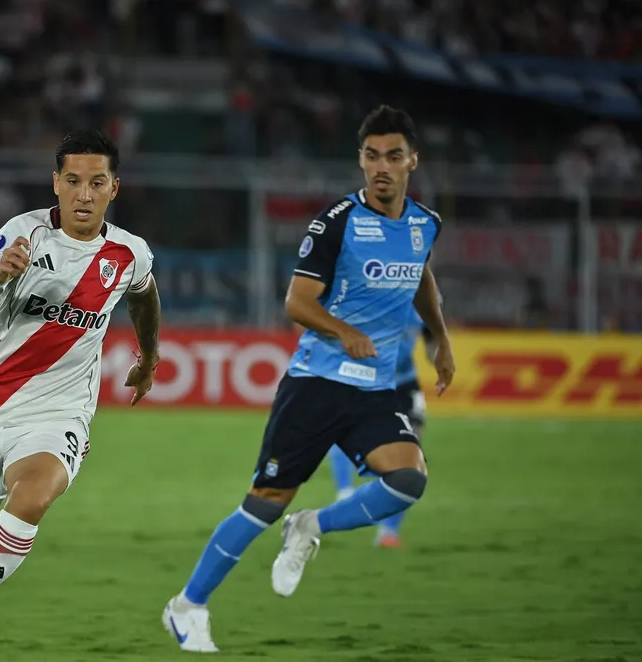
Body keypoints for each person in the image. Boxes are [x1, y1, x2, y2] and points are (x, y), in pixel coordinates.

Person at [162, 105, 455, 653]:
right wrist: (342, 330)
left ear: (413, 160)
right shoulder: (337, 221)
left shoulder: (424, 224)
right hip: (317, 383)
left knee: (408, 479)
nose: (382, 167)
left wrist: (440, 338)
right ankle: (187, 606)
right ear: (361, 161)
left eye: (394, 156)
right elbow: (297, 301)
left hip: (372, 389)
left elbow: (422, 278)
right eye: (372, 156)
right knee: (263, 502)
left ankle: (311, 525)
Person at [0, 129, 163, 651]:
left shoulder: (128, 253)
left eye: (97, 182)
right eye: (73, 181)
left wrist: (148, 356)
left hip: (61, 412)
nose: (84, 194)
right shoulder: (22, 233)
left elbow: (144, 295)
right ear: (56, 183)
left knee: (35, 493)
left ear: (115, 188)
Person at [326, 311, 436, 548]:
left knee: (411, 455)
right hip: (364, 376)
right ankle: (344, 491)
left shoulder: (423, 299)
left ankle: (388, 533)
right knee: (340, 427)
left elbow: (432, 334)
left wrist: (437, 355)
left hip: (404, 382)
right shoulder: (376, 289)